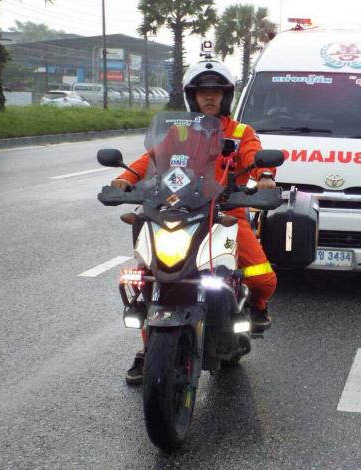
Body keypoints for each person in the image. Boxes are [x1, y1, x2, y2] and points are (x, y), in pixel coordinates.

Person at [111, 59, 278, 385]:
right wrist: (126, 177)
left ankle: (255, 307)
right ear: (192, 97)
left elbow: (253, 156)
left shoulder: (242, 132)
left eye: (216, 91)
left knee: (262, 277)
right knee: (150, 277)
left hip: (228, 211)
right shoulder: (181, 132)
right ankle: (149, 349)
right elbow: (152, 158)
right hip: (179, 210)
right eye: (203, 91)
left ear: (227, 95)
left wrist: (266, 177)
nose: (210, 97)